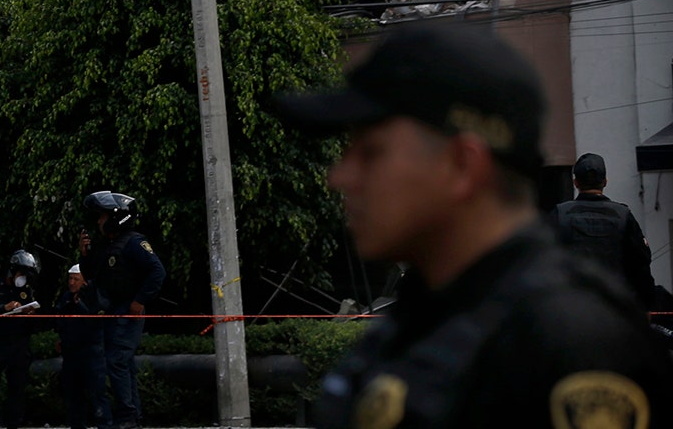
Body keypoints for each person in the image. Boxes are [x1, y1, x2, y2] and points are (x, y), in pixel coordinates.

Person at [275, 21, 673, 428]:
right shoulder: (422, 315)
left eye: (372, 152)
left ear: (463, 165)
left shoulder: (575, 342)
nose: (340, 177)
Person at [79, 191, 161, 429]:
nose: (98, 221)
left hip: (128, 310)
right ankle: (133, 415)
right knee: (123, 363)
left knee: (116, 360)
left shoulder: (134, 242)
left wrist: (140, 300)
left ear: (117, 216)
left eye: (102, 216)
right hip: (113, 310)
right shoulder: (109, 246)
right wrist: (84, 254)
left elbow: (157, 272)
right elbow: (92, 275)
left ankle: (127, 416)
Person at [550, 151, 655, 306]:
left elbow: (543, 259)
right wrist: (646, 305)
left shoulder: (560, 214)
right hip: (614, 308)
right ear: (605, 181)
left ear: (576, 183)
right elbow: (641, 265)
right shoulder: (623, 215)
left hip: (571, 307)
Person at [0, 249, 40, 429]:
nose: (23, 278)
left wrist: (30, 315)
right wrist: (3, 307)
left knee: (17, 392)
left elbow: (34, 326)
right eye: (21, 273)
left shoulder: (27, 291)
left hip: (18, 346)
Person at [53, 264, 108, 429]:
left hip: (91, 353)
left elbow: (94, 323)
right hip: (71, 354)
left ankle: (105, 425)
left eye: (76, 279)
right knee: (73, 396)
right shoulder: (65, 298)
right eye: (70, 278)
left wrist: (81, 306)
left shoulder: (94, 297)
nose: (71, 282)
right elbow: (59, 320)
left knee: (97, 394)